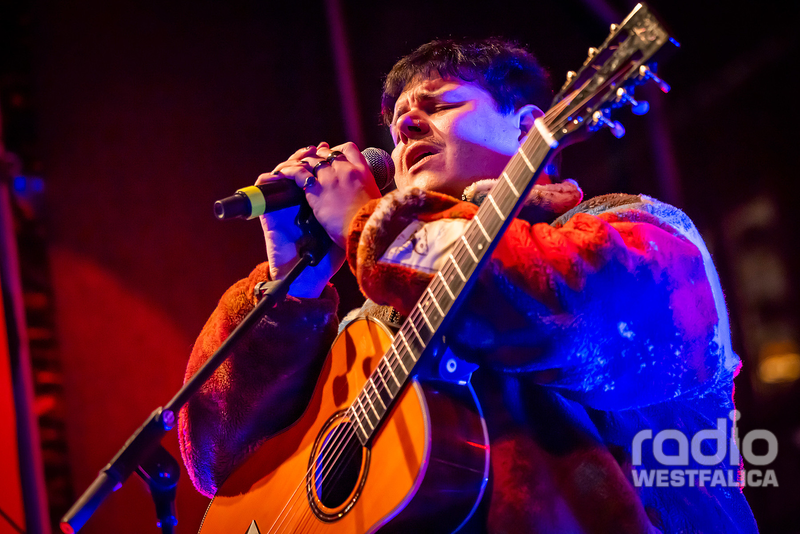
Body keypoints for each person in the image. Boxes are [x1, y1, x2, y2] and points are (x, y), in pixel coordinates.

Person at [178, 38, 758, 533]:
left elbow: (561, 312)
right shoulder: (370, 331)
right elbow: (219, 464)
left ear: (527, 128)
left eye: (439, 104)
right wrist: (291, 288)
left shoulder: (633, 228)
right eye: (397, 124)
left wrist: (369, 225)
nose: (406, 126)